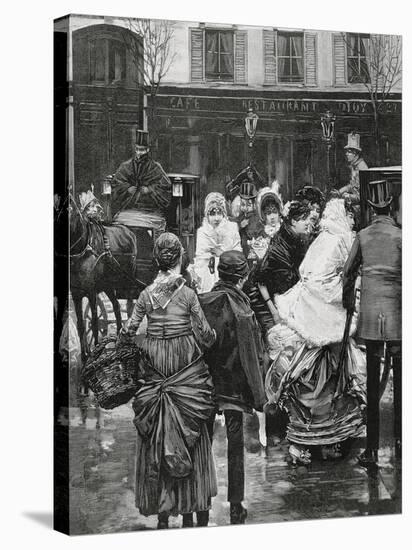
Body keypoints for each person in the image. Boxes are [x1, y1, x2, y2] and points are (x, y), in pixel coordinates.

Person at [119, 233, 217, 528]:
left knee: (158, 435)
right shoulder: (187, 294)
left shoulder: (146, 295)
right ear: (180, 259)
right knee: (192, 434)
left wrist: (151, 340)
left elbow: (128, 331)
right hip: (186, 365)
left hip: (155, 363)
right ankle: (190, 508)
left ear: (158, 261)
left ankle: (163, 512)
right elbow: (207, 336)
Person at [265, 198, 366, 464]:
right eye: (351, 216)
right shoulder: (335, 240)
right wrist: (343, 294)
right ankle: (310, 440)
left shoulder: (328, 237)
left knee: (328, 376)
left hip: (321, 311)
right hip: (320, 312)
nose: (354, 221)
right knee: (320, 378)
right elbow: (316, 276)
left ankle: (325, 438)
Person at [199, 251, 267, 524]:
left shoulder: (204, 302)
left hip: (206, 383)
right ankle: (236, 504)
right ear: (242, 278)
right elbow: (251, 357)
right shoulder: (243, 309)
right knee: (235, 445)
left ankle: (201, 501)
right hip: (234, 388)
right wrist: (259, 396)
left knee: (203, 443)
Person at [343, 180, 402, 467]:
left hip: (370, 315)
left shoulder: (363, 236)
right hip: (398, 316)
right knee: (402, 382)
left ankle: (372, 450)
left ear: (370, 207)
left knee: (373, 383)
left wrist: (348, 304)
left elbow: (346, 272)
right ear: (391, 206)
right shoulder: (402, 237)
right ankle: (402, 445)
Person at [110, 129, 172, 236]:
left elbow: (165, 186)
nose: (139, 153)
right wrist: (127, 188)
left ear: (148, 150)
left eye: (142, 150)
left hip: (150, 210)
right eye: (137, 149)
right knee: (117, 226)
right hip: (130, 208)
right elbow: (117, 183)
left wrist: (149, 190)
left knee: (159, 229)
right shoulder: (126, 166)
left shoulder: (155, 167)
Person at [192, 192, 241, 294]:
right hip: (207, 277)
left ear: (224, 214)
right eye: (212, 214)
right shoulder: (202, 232)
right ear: (207, 215)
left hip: (229, 276)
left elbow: (238, 255)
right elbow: (200, 258)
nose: (216, 218)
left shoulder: (232, 229)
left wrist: (222, 254)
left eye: (219, 213)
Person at [338, 132, 368, 204]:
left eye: (349, 152)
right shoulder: (354, 166)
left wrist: (348, 196)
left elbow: (363, 195)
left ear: (355, 154)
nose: (346, 154)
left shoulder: (362, 168)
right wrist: (340, 191)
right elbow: (352, 185)